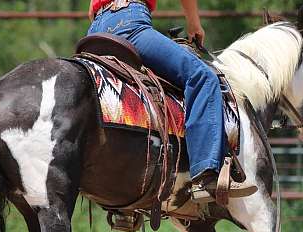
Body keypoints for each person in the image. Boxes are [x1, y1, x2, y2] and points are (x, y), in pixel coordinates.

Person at [87, 0, 257, 203]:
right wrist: (194, 24)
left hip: (95, 32)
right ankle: (205, 174)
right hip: (130, 21)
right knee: (202, 77)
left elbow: (91, 11)